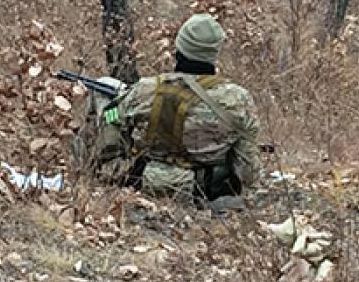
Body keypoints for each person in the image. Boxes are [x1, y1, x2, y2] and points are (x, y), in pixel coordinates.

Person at [88, 13, 261, 206]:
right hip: (203, 190)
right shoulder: (238, 99)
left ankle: (86, 170)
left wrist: (111, 115)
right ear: (214, 53)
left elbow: (112, 120)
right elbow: (248, 172)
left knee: (103, 92)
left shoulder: (145, 89)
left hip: (143, 180)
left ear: (179, 48)